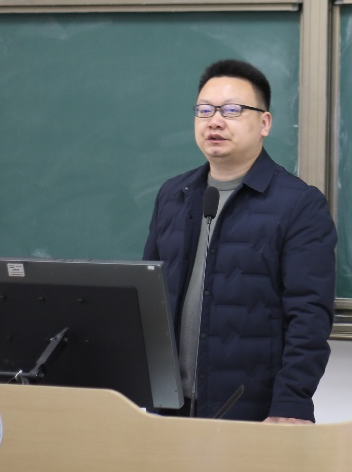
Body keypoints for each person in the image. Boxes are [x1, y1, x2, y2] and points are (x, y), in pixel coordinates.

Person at [142, 59, 337, 423]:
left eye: (231, 110)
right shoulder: (174, 195)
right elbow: (148, 299)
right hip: (168, 409)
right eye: (205, 110)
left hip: (250, 410)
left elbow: (309, 315)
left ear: (264, 123)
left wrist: (290, 403)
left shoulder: (298, 204)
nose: (215, 121)